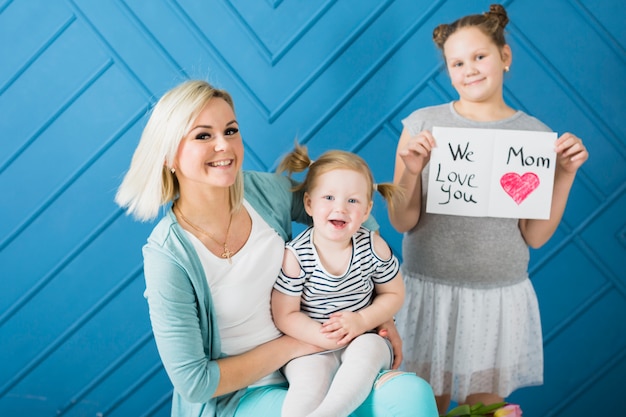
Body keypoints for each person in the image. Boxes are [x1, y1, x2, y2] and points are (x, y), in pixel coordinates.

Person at [115, 79, 438, 417]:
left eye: (231, 130)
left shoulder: (263, 192)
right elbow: (196, 382)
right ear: (169, 155)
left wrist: (377, 316)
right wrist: (304, 342)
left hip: (322, 360)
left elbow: (352, 217)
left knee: (411, 394)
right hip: (244, 395)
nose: (224, 146)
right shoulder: (168, 256)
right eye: (203, 135)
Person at [387, 4, 589, 415]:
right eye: (457, 62)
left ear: (505, 56)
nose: (470, 69)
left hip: (497, 296)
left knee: (485, 409)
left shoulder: (535, 136)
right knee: (422, 404)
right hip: (428, 290)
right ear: (447, 69)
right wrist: (411, 172)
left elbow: (534, 235)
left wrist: (564, 173)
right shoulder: (423, 126)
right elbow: (400, 220)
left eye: (479, 56)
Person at [271, 145, 405, 417]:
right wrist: (322, 338)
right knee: (307, 384)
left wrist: (362, 321)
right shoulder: (296, 256)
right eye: (329, 197)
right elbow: (285, 315)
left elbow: (394, 294)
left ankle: (331, 413)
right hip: (312, 345)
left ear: (367, 210)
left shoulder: (374, 247)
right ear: (309, 203)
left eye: (353, 201)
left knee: (367, 352)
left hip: (364, 335)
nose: (340, 208)